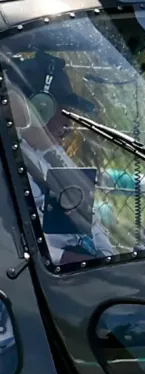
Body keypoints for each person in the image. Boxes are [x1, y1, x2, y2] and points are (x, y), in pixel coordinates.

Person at [5, 50, 116, 264]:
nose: (69, 124)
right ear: (39, 108)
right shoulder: (11, 164)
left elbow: (88, 215)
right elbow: (12, 241)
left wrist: (106, 257)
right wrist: (64, 259)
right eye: (64, 111)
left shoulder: (51, 155)